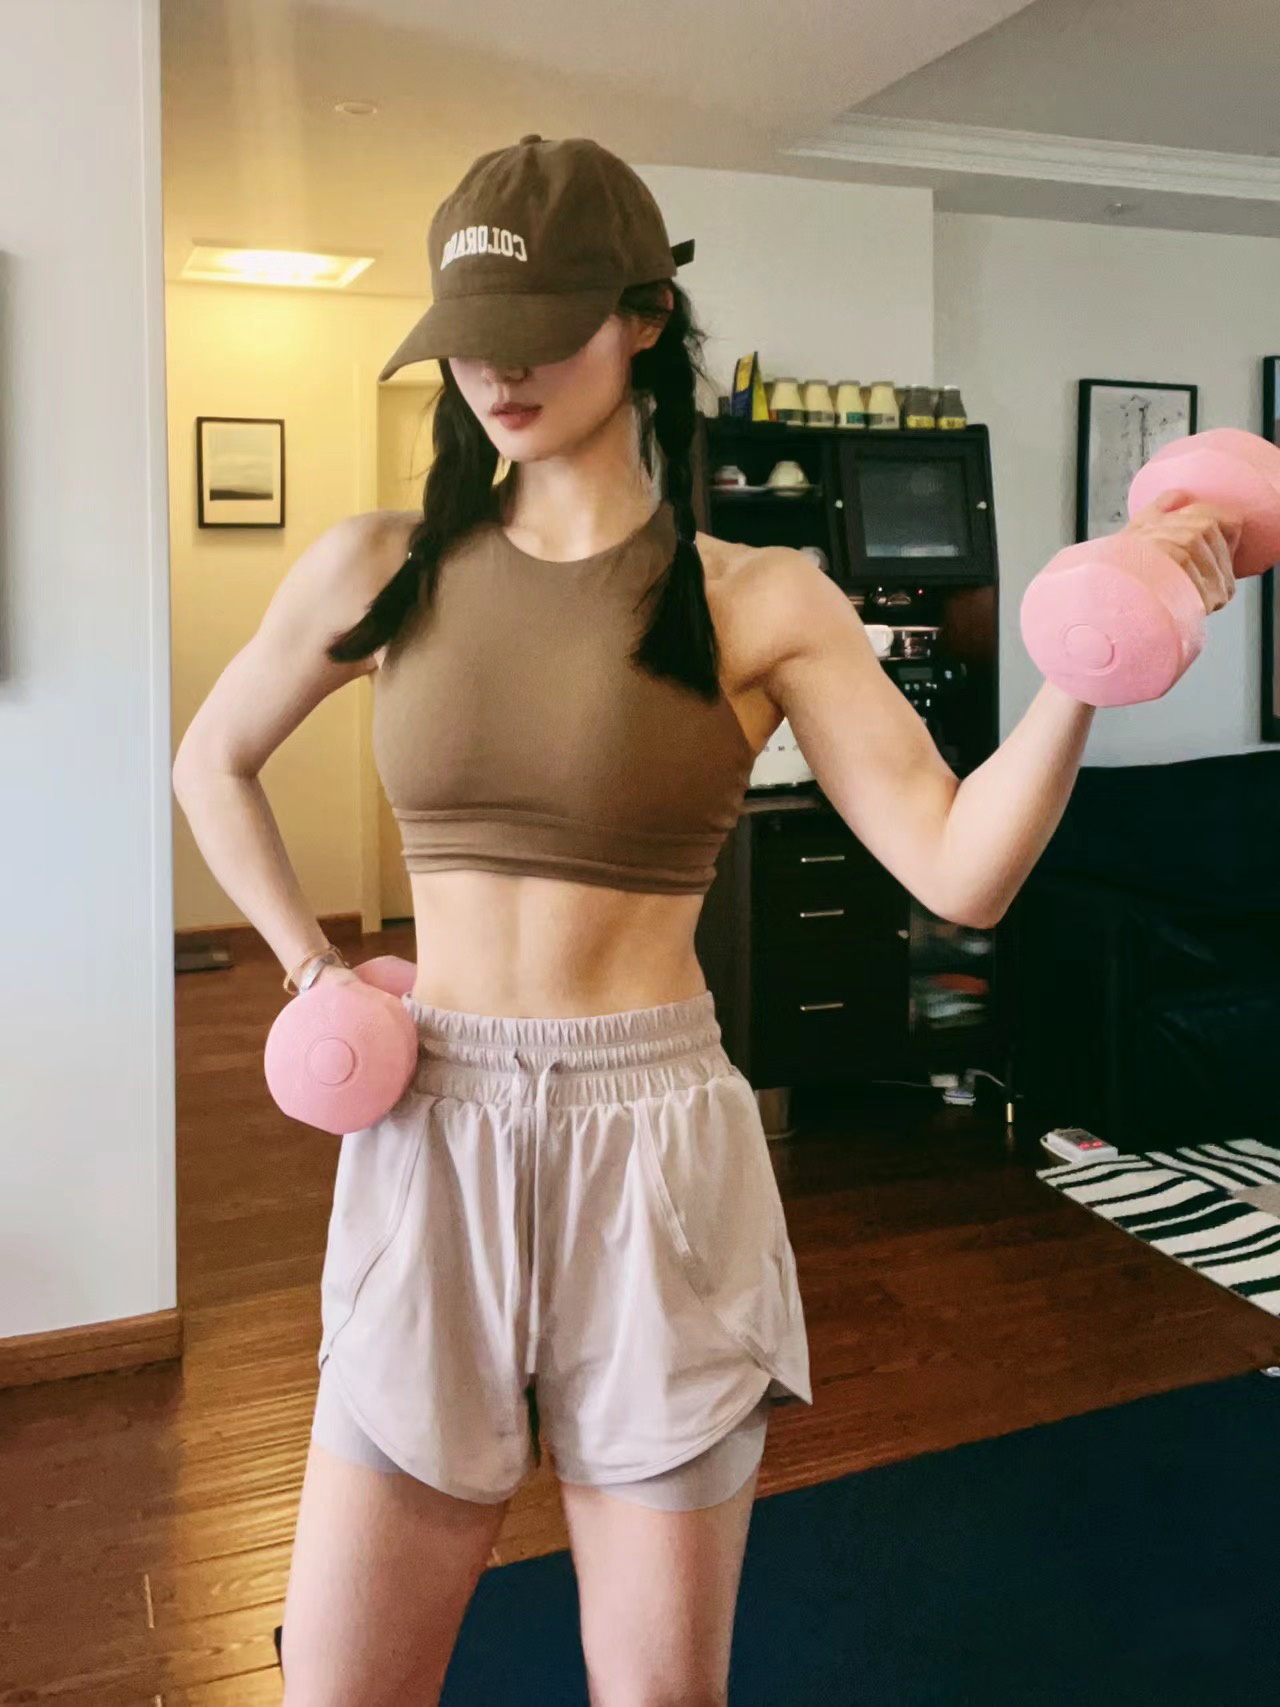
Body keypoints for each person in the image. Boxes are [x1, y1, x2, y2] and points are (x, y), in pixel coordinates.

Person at [171, 135, 1240, 1707]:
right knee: (339, 1687)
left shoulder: (759, 597)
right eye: (471, 334)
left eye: (542, 326)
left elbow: (962, 871)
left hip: (653, 1142)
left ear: (644, 317)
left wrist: (1092, 663)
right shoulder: (379, 567)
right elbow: (212, 760)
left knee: (660, 1694)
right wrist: (311, 967)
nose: (499, 370)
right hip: (428, 1129)